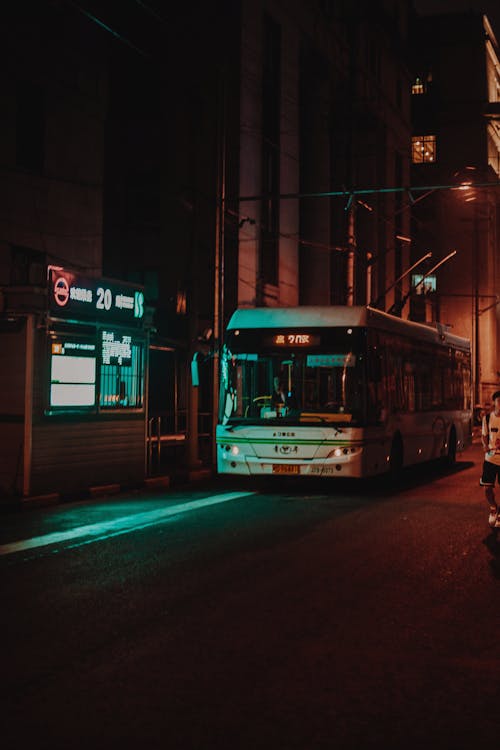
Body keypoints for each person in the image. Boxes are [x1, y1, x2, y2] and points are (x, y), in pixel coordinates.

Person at [480, 390, 500, 527]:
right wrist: (485, 446)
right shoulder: (487, 418)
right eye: (499, 401)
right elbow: (484, 435)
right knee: (487, 488)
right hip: (491, 458)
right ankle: (494, 508)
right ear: (495, 402)